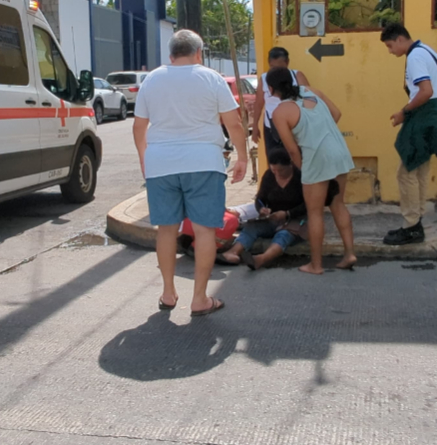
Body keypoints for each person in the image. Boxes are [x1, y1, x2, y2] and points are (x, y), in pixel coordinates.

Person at [133, 30, 248, 317]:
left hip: (161, 163)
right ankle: (199, 299)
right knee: (204, 229)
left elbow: (139, 127)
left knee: (166, 230)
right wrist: (242, 156)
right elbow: (233, 124)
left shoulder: (152, 79)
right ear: (199, 53)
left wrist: (144, 159)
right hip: (204, 162)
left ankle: (168, 293)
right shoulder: (211, 78)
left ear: (171, 55)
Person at [268, 67, 357, 274]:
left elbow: (291, 148)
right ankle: (350, 253)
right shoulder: (312, 91)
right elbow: (336, 113)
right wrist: (321, 132)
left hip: (316, 158)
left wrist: (302, 169)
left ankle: (316, 265)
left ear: (271, 89)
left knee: (315, 212)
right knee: (338, 203)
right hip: (339, 151)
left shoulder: (280, 112)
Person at [379, 23, 437, 245]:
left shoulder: (414, 57)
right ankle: (416, 221)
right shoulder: (426, 49)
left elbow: (426, 91)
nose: (390, 51)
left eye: (390, 46)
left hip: (422, 115)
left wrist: (404, 111)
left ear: (401, 39)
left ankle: (411, 225)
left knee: (407, 171)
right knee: (420, 169)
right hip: (433, 112)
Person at [218, 147, 337, 270]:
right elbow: (260, 198)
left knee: (284, 234)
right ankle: (233, 252)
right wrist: (261, 209)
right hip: (273, 218)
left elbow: (309, 205)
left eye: (280, 170)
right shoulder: (269, 176)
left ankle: (262, 258)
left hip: (296, 221)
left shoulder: (301, 177)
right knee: (251, 227)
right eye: (273, 170)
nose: (276, 174)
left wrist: (287, 214)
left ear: (290, 165)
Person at [252, 47, 311, 160]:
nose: (277, 72)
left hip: (295, 126)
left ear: (287, 63)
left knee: (296, 157)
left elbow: (308, 101)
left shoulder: (297, 76)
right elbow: (258, 104)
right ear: (269, 64)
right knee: (274, 160)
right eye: (273, 67)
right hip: (271, 128)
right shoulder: (264, 79)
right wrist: (255, 127)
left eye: (280, 67)